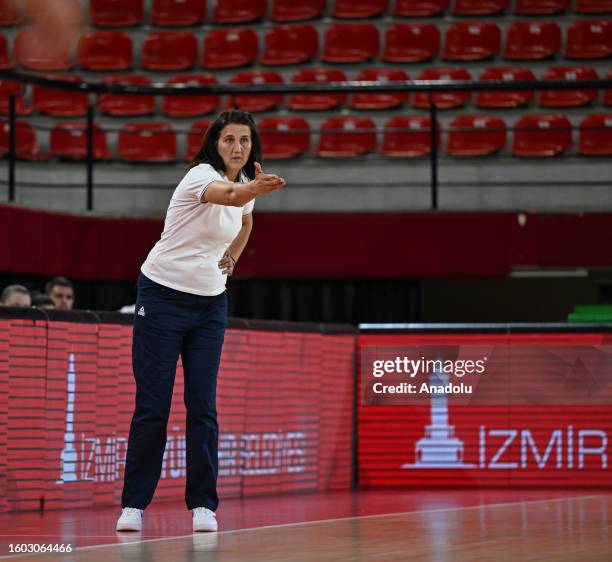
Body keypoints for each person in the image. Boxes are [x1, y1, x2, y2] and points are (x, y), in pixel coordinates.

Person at [116, 110, 285, 534]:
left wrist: (234, 256)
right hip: (162, 295)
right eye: (229, 139)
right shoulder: (200, 176)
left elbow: (243, 219)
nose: (237, 147)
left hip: (210, 305)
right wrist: (252, 189)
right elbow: (229, 198)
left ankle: (203, 506)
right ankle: (134, 504)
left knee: (203, 407)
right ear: (215, 143)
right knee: (153, 406)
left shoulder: (246, 183)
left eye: (244, 140)